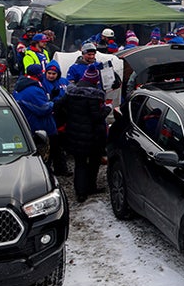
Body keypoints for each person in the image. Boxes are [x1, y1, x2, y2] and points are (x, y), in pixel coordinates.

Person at [55, 65, 110, 202]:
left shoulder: (71, 93)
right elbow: (97, 117)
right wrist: (108, 109)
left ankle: (80, 192)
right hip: (93, 137)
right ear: (95, 81)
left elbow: (58, 106)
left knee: (80, 164)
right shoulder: (94, 97)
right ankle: (91, 187)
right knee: (93, 163)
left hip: (74, 135)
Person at [12, 64, 59, 172]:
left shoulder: (21, 85)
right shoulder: (33, 89)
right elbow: (43, 109)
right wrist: (53, 103)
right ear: (39, 74)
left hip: (29, 123)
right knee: (43, 156)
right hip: (39, 126)